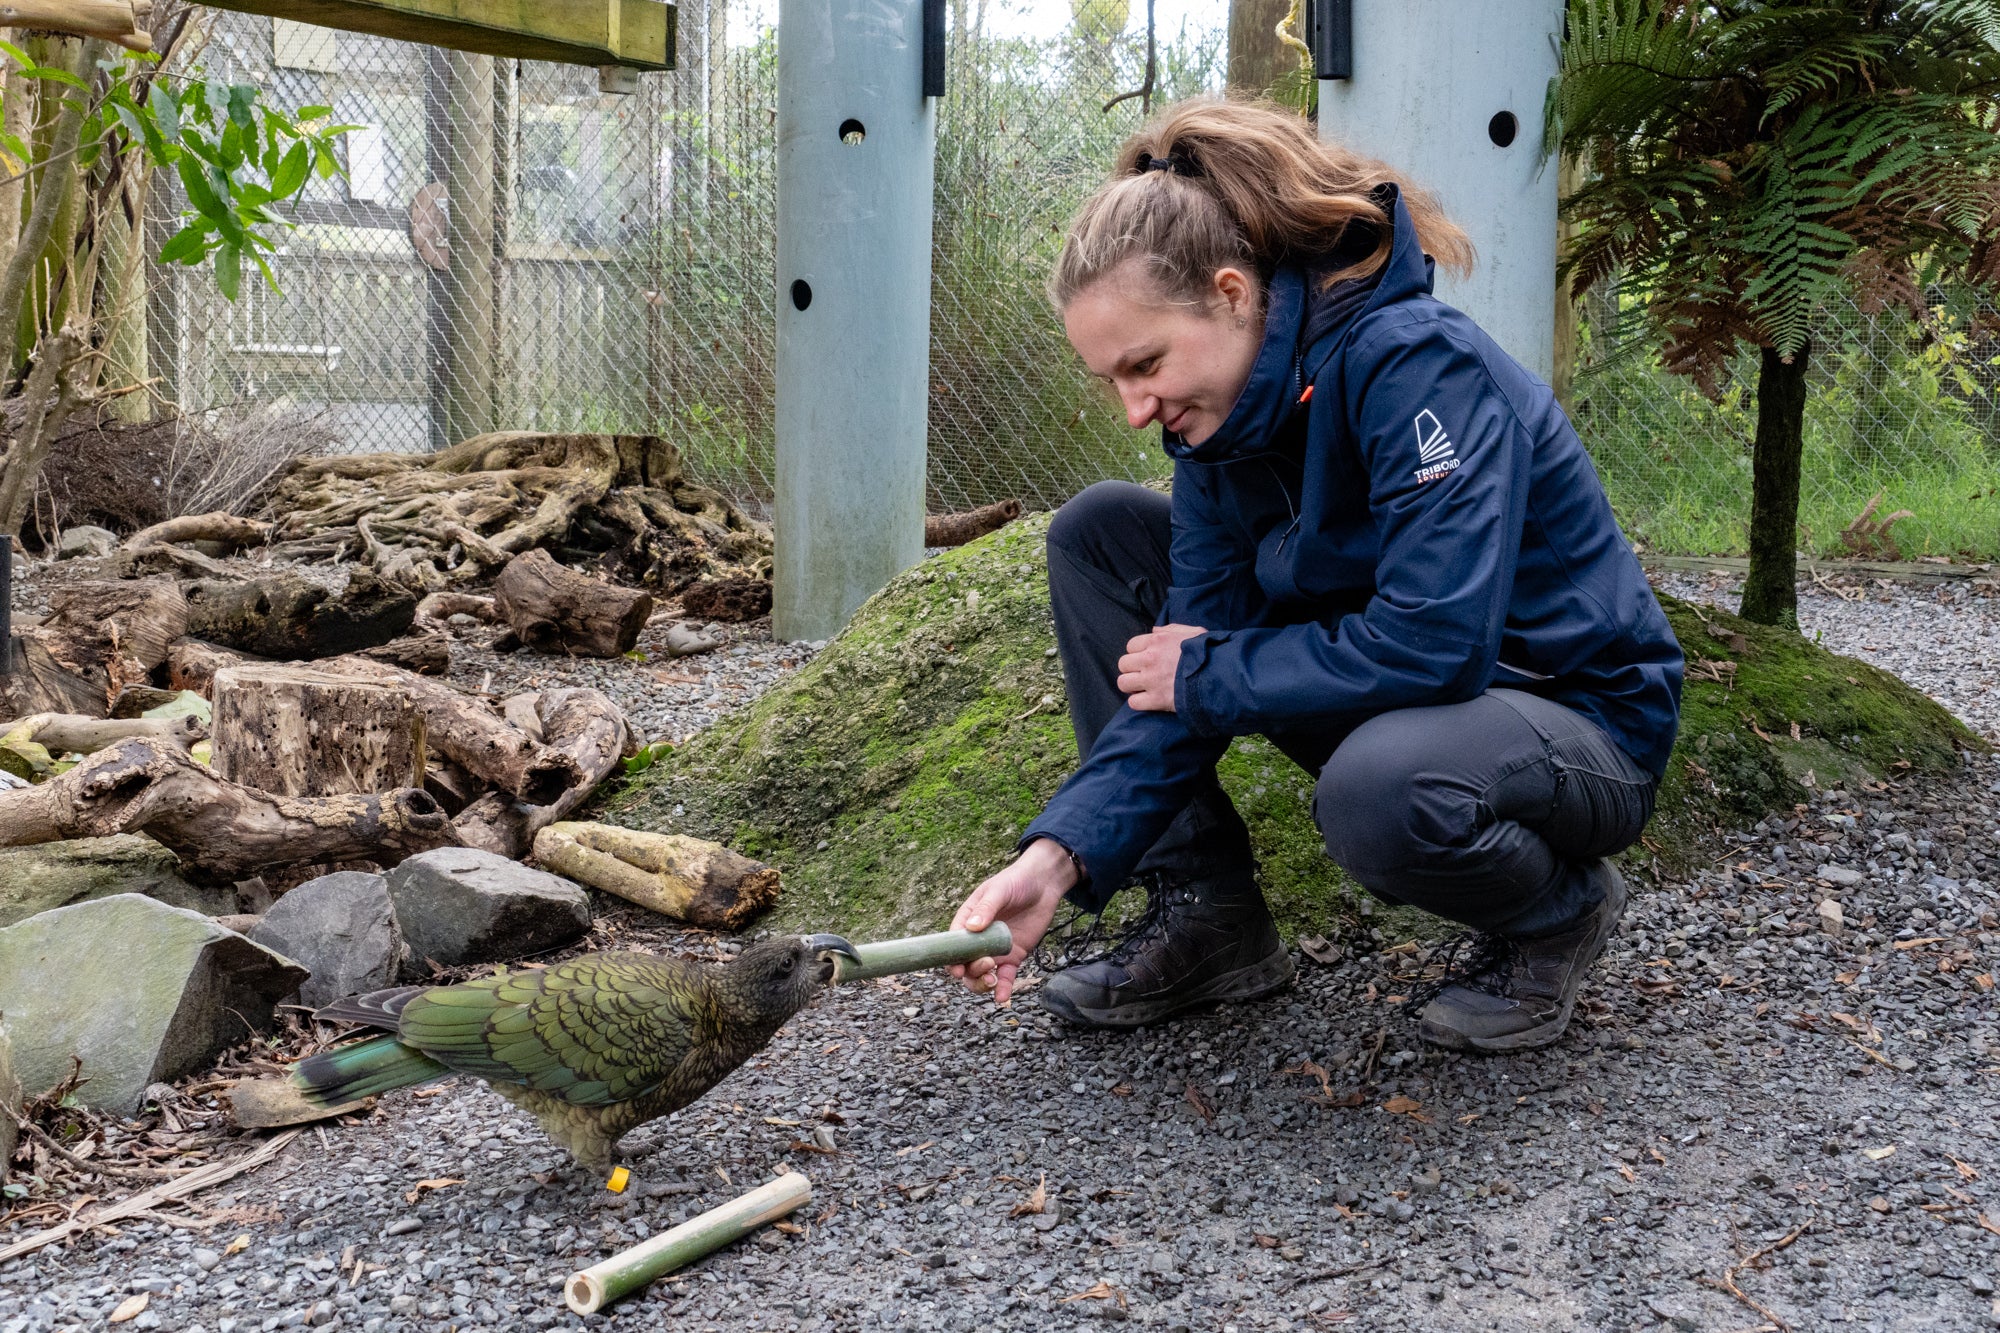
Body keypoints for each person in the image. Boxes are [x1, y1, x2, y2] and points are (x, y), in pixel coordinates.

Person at [946, 98, 1683, 1054]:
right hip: (1413, 693)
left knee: (1378, 790)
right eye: (1111, 381)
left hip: (1577, 719)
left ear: (1231, 292)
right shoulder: (1216, 427)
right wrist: (1057, 857)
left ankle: (1560, 910)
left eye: (1145, 364)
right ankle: (1208, 914)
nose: (1133, 408)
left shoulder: (1417, 365)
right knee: (1100, 535)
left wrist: (1212, 672)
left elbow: (1436, 641)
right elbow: (1185, 653)